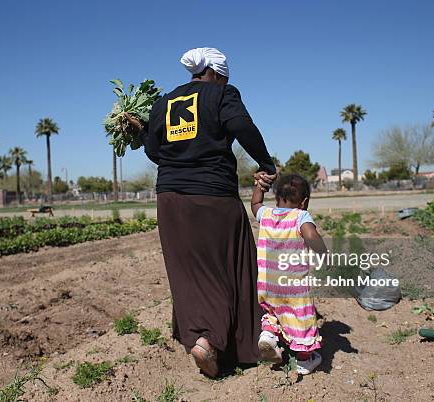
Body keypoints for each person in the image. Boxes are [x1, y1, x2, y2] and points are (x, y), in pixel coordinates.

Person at [127, 47, 277, 377]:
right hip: (213, 196)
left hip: (170, 199)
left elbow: (154, 151)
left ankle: (199, 336)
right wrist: (266, 163)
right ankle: (212, 341)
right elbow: (243, 127)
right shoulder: (223, 93)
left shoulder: (163, 102)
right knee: (229, 264)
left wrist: (144, 132)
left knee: (189, 272)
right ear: (218, 73)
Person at [251, 174, 328, 375]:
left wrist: (259, 186)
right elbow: (311, 235)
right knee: (301, 317)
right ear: (304, 201)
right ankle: (304, 360)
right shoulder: (300, 216)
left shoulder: (266, 213)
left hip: (268, 283)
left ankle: (268, 335)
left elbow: (255, 203)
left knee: (273, 311)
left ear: (276, 197)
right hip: (294, 285)